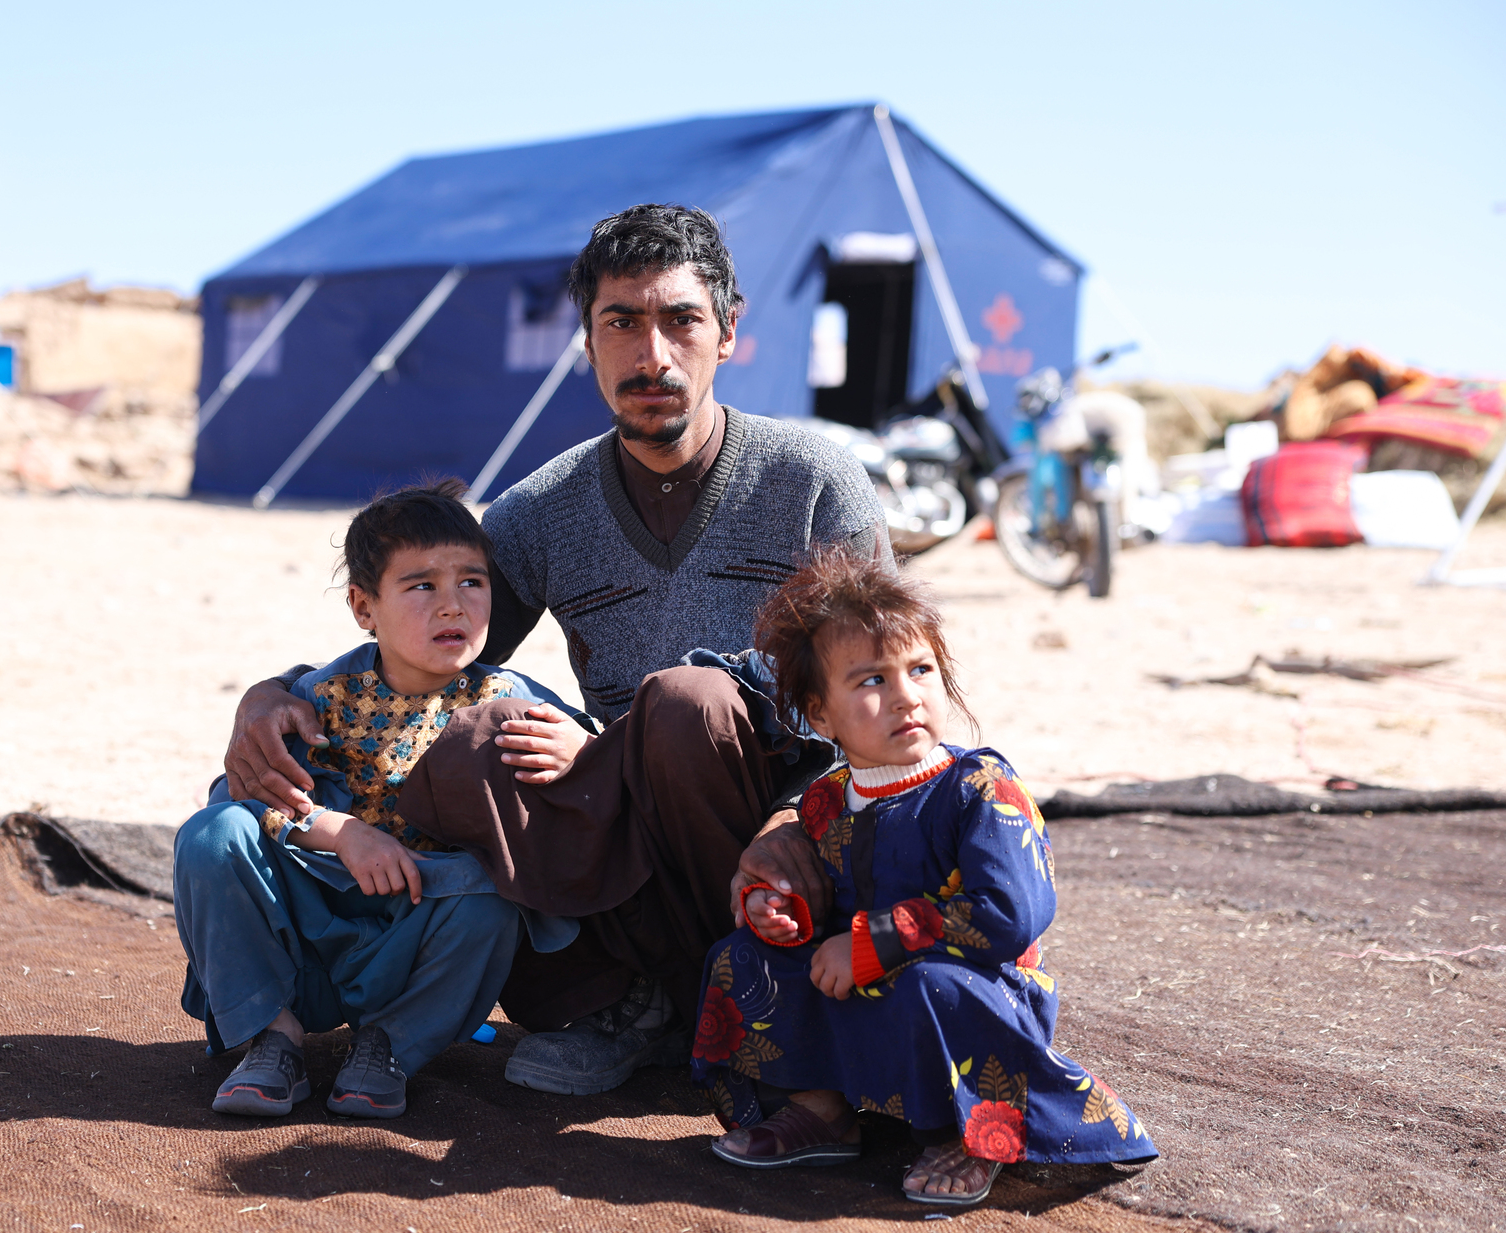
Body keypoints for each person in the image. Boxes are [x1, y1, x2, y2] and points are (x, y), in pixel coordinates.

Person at [224, 204, 893, 1097]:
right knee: (470, 746)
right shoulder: (542, 511)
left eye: (681, 320)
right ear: (586, 342)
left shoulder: (813, 484)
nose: (651, 354)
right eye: (621, 321)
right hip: (624, 829)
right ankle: (638, 1002)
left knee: (689, 704)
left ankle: (748, 994)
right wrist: (275, 691)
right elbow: (426, 659)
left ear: (728, 333)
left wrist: (786, 815)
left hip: (786, 814)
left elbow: (884, 693)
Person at [690, 546, 1157, 1206]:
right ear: (820, 714)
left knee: (931, 988)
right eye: (871, 680)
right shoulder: (826, 801)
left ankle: (968, 1135)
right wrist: (783, 913)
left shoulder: (979, 787)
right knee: (741, 958)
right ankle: (823, 1109)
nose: (906, 695)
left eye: (920, 668)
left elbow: (1010, 914)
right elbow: (821, 908)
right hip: (860, 978)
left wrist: (878, 941)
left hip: (976, 990)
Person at [173, 480, 584, 1120]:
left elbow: (593, 772)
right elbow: (245, 798)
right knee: (209, 834)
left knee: (490, 897)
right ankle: (270, 1037)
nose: (453, 606)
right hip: (303, 930)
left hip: (417, 937)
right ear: (364, 607)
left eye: (472, 583)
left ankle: (389, 1047)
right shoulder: (316, 698)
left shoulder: (516, 701)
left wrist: (578, 751)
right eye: (422, 586)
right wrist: (341, 832)